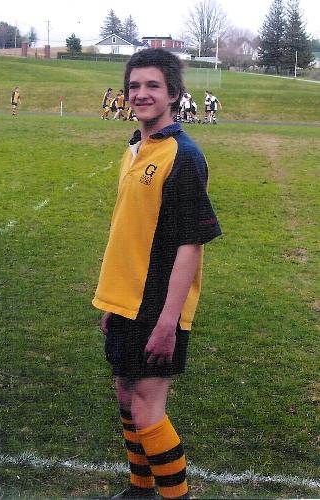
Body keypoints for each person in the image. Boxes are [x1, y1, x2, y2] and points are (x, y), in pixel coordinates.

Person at [92, 48, 221, 499]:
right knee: (126, 396)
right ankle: (140, 489)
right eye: (134, 86)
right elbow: (128, 233)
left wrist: (169, 321)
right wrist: (111, 299)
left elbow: (191, 245)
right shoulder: (137, 148)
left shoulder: (183, 156)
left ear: (173, 94)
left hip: (156, 304)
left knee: (148, 409)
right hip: (126, 300)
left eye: (153, 86)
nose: (141, 94)